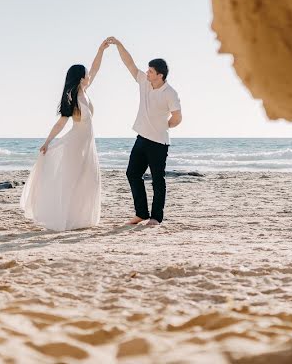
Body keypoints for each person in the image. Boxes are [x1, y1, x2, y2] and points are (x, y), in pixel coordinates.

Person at [20, 40, 109, 231]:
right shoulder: (73, 98)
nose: (88, 75)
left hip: (87, 144)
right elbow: (61, 123)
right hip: (76, 144)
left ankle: (80, 218)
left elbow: (95, 68)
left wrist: (100, 50)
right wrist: (47, 142)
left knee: (89, 180)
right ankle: (67, 218)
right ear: (80, 77)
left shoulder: (84, 90)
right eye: (85, 74)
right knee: (73, 180)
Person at [106, 37, 182, 226]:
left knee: (158, 180)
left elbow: (177, 117)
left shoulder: (170, 93)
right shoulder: (144, 83)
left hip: (158, 143)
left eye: (150, 71)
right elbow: (129, 64)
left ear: (160, 75)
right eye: (147, 70)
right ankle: (141, 214)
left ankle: (156, 218)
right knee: (132, 174)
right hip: (141, 139)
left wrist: (165, 126)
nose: (147, 73)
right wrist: (119, 45)